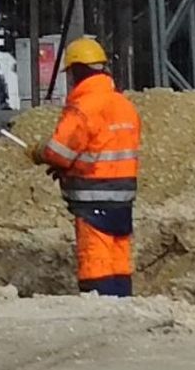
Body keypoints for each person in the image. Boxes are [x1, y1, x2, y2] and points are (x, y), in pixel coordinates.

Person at [30, 35, 140, 296]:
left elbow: (59, 152)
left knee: (96, 260)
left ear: (77, 71)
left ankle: (100, 304)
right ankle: (124, 304)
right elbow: (104, 150)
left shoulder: (83, 108)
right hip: (123, 198)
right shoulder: (124, 106)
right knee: (119, 258)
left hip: (93, 199)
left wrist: (39, 153)